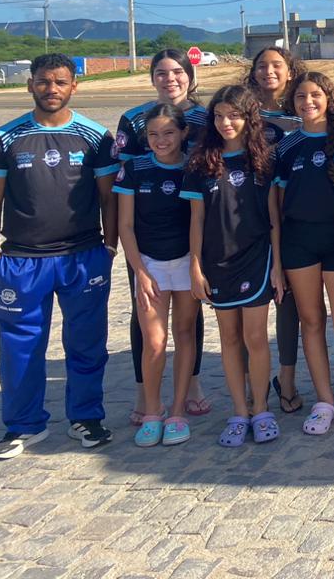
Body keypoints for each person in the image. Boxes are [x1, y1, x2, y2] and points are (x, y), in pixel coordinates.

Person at [0, 53, 118, 460]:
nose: (51, 89)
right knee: (20, 347)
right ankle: (24, 425)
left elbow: (109, 198)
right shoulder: (4, 137)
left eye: (60, 82)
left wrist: (110, 248)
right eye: (43, 81)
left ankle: (86, 417)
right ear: (30, 85)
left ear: (74, 85)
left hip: (83, 257)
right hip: (21, 261)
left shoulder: (97, 137)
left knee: (87, 343)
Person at [113, 48, 211, 426]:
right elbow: (122, 178)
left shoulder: (205, 117)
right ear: (152, 77)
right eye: (161, 73)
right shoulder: (133, 119)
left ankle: (192, 384)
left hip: (189, 236)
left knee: (189, 319)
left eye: (177, 72)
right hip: (146, 238)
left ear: (190, 75)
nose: (170, 79)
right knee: (144, 316)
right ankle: (144, 391)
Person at [184, 84, 283, 448]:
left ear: (249, 118)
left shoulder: (265, 160)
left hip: (257, 258)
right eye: (219, 116)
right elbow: (196, 221)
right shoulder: (200, 163)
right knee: (229, 338)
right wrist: (196, 267)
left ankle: (261, 410)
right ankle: (239, 412)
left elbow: (274, 218)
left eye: (234, 115)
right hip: (216, 262)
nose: (226, 123)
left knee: (255, 337)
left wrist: (278, 265)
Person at [272, 72, 334, 434]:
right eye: (300, 96)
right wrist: (277, 262)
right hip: (299, 242)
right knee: (311, 322)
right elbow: (277, 208)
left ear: (329, 98)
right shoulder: (286, 147)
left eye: (315, 95)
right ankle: (325, 400)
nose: (308, 102)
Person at [245, 45, 305, 414]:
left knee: (288, 303)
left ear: (290, 71)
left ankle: (287, 378)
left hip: (291, 218)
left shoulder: (301, 113)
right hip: (246, 219)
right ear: (253, 72)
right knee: (250, 307)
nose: (269, 71)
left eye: (277, 65)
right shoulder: (243, 113)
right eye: (262, 65)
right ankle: (252, 384)